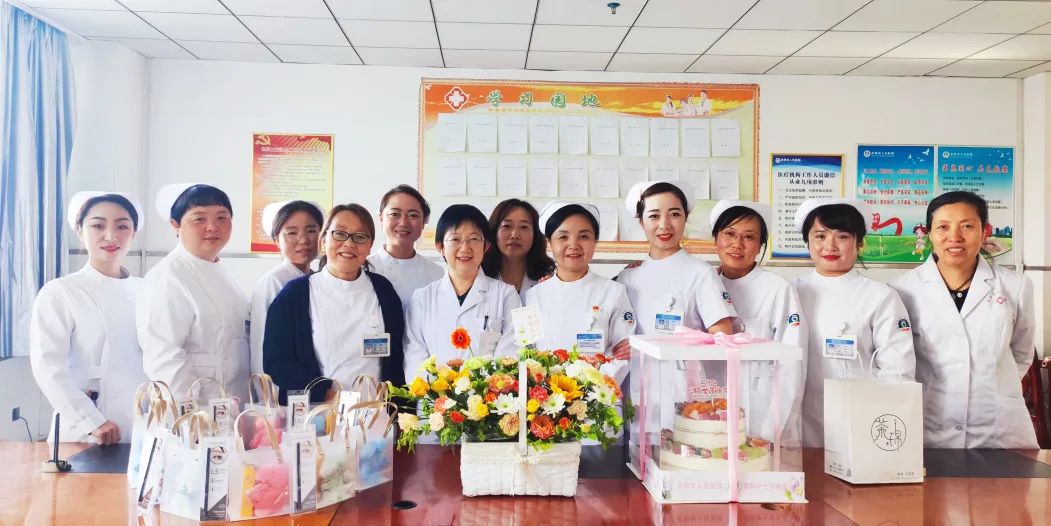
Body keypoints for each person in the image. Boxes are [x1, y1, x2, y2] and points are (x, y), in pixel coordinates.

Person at [890, 191, 1037, 448]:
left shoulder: (1015, 286)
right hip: (930, 426)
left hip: (999, 428)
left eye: (967, 226)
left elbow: (1021, 353)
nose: (954, 237)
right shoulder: (901, 290)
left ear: (985, 231)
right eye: (943, 227)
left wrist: (992, 385)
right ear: (929, 233)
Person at [791, 198, 915, 447]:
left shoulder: (880, 297)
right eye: (820, 236)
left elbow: (898, 371)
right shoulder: (790, 292)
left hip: (861, 418)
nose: (830, 246)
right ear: (808, 242)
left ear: (859, 243)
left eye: (842, 236)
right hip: (799, 421)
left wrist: (886, 428)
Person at [30, 192, 147, 444]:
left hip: (141, 428)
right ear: (79, 231)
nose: (111, 236)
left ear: (134, 233)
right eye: (98, 226)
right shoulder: (60, 292)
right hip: (84, 432)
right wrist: (91, 421)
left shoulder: (148, 290)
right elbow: (47, 366)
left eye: (122, 226)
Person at [263, 204, 404, 403]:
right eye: (339, 234)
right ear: (323, 240)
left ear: (369, 246)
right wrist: (324, 393)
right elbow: (277, 363)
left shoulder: (383, 290)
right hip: (318, 411)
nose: (349, 243)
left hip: (375, 411)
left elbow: (397, 359)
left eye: (360, 236)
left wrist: (397, 410)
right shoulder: (295, 294)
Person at [138, 184, 250, 404]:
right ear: (175, 225)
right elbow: (165, 356)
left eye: (222, 218)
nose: (212, 227)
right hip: (195, 409)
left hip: (230, 404)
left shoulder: (223, 274)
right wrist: (190, 413)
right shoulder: (167, 276)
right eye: (199, 219)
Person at [710, 199, 806, 445]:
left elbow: (791, 364)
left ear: (761, 244)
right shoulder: (703, 283)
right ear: (716, 239)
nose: (737, 244)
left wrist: (770, 430)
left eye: (749, 237)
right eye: (729, 233)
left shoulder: (777, 289)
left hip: (760, 414)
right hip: (708, 408)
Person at [523, 202, 635, 382]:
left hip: (597, 394)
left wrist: (589, 388)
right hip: (544, 393)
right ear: (549, 243)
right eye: (563, 237)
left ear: (595, 242)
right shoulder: (531, 296)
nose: (573, 244)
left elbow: (623, 354)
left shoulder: (614, 292)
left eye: (584, 236)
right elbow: (525, 351)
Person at [404, 204, 521, 377]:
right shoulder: (422, 298)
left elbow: (511, 352)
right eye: (455, 239)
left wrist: (478, 390)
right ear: (440, 246)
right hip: (434, 393)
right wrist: (439, 390)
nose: (465, 248)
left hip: (488, 393)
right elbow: (414, 356)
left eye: (474, 239)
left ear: (486, 246)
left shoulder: (506, 295)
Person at [617, 181, 735, 337]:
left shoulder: (701, 273)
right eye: (654, 216)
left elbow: (723, 337)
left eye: (674, 214)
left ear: (685, 218)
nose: (664, 225)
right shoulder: (626, 278)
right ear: (641, 222)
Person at [249, 200, 323, 376]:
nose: (303, 240)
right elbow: (262, 346)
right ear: (277, 240)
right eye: (291, 233)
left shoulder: (317, 278)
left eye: (311, 231)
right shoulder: (274, 281)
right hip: (284, 386)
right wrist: (267, 390)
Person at [367, 185, 443, 309]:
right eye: (394, 214)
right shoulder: (364, 269)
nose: (403, 223)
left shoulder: (436, 274)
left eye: (413, 215)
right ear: (381, 218)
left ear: (424, 222)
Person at [481, 199, 554, 298]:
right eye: (507, 226)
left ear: (535, 234)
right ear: (494, 232)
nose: (514, 235)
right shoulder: (479, 277)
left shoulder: (550, 279)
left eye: (524, 227)